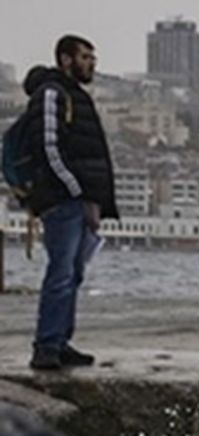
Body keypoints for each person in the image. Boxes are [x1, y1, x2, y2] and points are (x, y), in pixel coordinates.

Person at [24, 35, 117, 371]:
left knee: (73, 273)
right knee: (61, 273)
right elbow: (49, 148)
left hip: (79, 201)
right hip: (63, 201)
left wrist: (94, 200)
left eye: (93, 57)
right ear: (65, 59)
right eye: (85, 57)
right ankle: (47, 345)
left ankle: (60, 341)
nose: (92, 63)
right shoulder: (52, 94)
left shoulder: (77, 97)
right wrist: (77, 191)